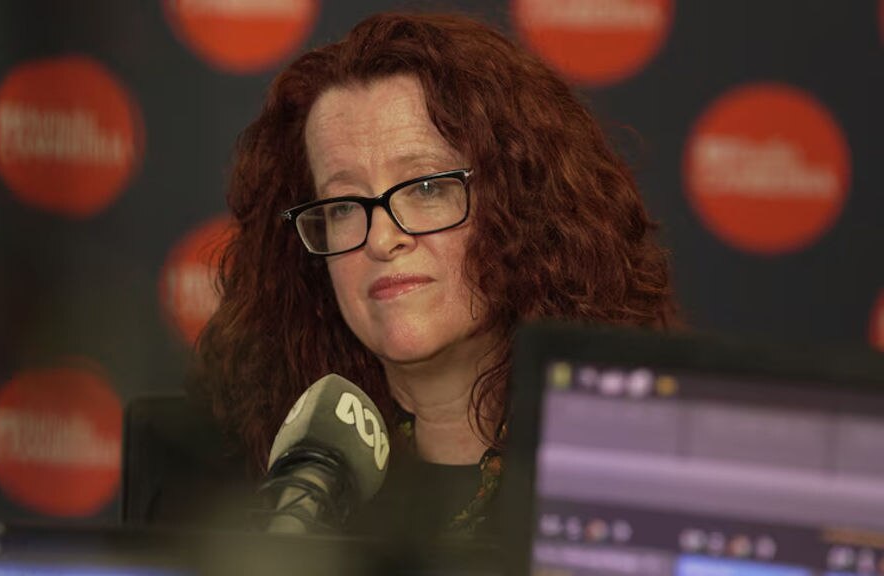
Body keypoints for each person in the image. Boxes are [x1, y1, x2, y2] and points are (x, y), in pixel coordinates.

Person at [187, 11, 677, 537]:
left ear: (524, 205)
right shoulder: (238, 477)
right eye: (344, 205)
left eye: (426, 188)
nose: (381, 240)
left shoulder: (646, 473)